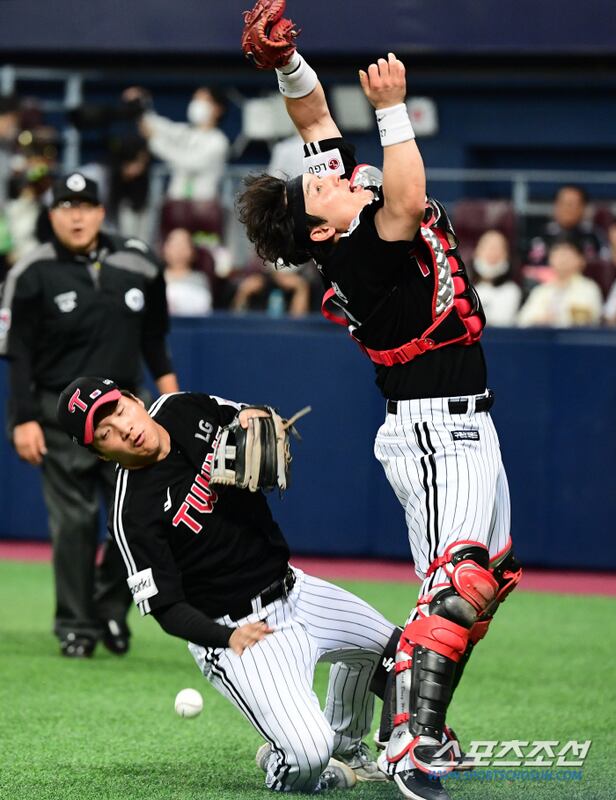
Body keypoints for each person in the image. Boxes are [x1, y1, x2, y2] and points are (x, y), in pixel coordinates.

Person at [237, 7, 522, 799]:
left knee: (479, 588)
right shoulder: (358, 254)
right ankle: (410, 742)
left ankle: (382, 719)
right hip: (434, 435)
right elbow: (407, 198)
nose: (329, 173)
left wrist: (287, 64)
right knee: (456, 584)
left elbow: (314, 118)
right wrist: (394, 111)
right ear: (320, 233)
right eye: (319, 185)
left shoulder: (341, 207)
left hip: (466, 423)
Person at [55, 376, 400, 792]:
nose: (123, 429)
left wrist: (255, 415)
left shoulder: (181, 407)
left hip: (296, 590)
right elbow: (165, 609)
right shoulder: (131, 515)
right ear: (100, 453)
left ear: (133, 400)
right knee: (308, 754)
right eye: (105, 433)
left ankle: (346, 746)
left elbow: (240, 414)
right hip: (239, 632)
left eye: (119, 410)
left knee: (399, 652)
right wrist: (225, 638)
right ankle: (283, 759)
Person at [0, 172, 179, 658]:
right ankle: (77, 625)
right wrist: (22, 419)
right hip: (59, 416)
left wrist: (173, 404)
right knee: (74, 524)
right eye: (66, 206)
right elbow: (18, 353)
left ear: (101, 212)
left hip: (127, 414)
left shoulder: (138, 260)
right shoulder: (31, 271)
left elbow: (154, 341)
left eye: (85, 206)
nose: (76, 216)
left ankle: (110, 609)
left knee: (140, 518)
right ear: (51, 214)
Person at [127, 86, 230, 202]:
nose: (197, 104)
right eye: (195, 99)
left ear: (218, 109)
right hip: (176, 203)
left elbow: (188, 162)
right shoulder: (187, 132)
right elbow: (161, 126)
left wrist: (154, 140)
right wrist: (141, 102)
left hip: (203, 205)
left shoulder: (218, 141)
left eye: (204, 100)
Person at [517, 237, 603, 327]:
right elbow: (522, 320)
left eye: (567, 255)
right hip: (542, 334)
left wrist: (557, 319)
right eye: (557, 254)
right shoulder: (541, 290)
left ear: (581, 260)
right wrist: (539, 320)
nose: (562, 259)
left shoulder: (589, 288)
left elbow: (592, 319)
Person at [469, 229, 521, 326]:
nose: (492, 252)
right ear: (476, 252)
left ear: (507, 255)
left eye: (498, 248)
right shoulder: (463, 289)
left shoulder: (512, 291)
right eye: (487, 247)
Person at [162, 227, 213, 316]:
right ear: (165, 249)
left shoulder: (200, 279)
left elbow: (204, 310)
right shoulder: (155, 278)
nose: (179, 251)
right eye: (175, 245)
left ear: (192, 252)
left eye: (183, 246)